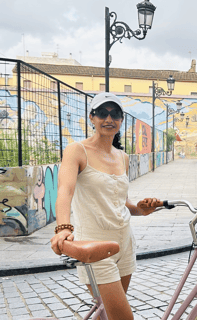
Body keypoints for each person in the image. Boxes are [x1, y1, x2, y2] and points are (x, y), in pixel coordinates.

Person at [50, 92, 159, 320]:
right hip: (95, 246)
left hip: (124, 244)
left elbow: (122, 203)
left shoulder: (123, 157)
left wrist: (142, 209)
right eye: (102, 113)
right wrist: (63, 228)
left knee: (106, 314)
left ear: (121, 120)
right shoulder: (77, 151)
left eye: (115, 114)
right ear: (92, 117)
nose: (108, 119)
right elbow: (65, 190)